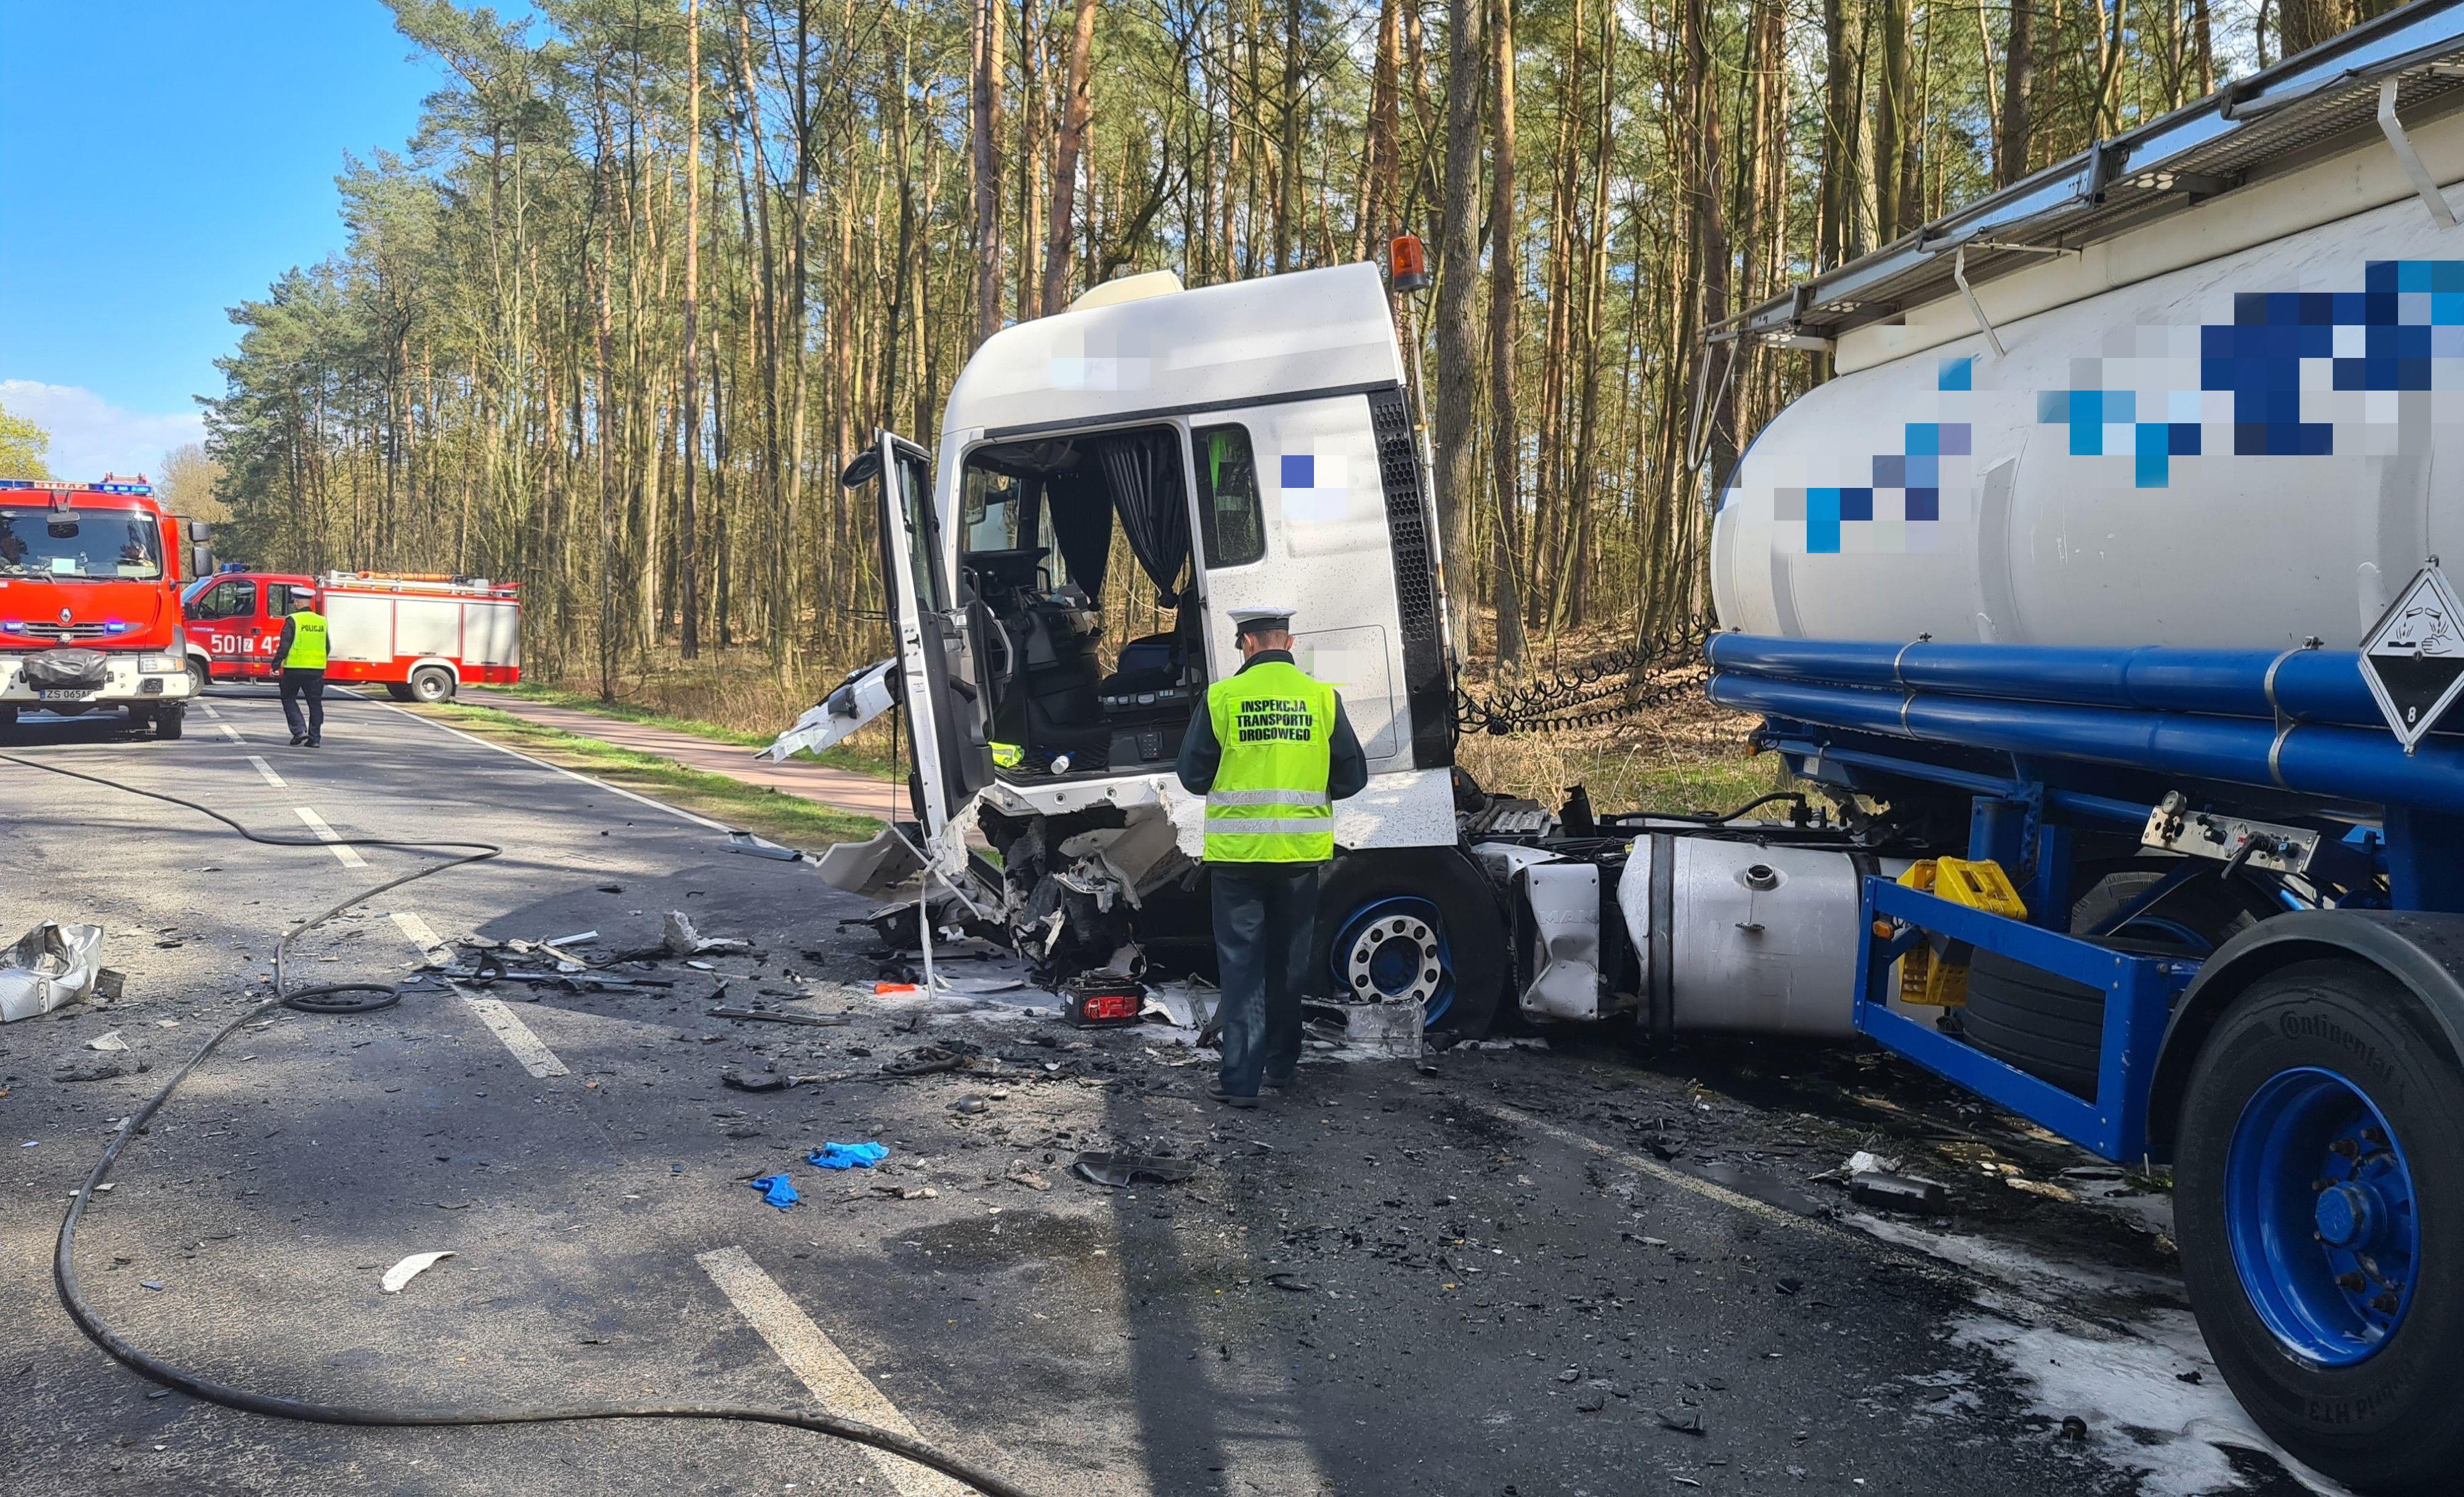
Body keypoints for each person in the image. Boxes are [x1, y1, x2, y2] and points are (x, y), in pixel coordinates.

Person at [1175, 604, 1369, 1107]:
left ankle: (1240, 1081)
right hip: (1299, 858)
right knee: (1287, 965)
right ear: (1289, 641)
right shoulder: (1321, 698)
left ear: (1248, 643)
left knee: (1243, 967)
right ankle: (1282, 1065)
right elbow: (1353, 778)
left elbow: (1193, 777)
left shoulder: (1223, 697)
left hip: (1238, 858)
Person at [275, 586, 328, 747]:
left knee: (288, 698)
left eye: (294, 602)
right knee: (315, 704)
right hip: (316, 671)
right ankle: (315, 739)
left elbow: (285, 645)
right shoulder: (322, 621)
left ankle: (299, 731)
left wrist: (275, 664)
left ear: (297, 602)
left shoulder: (293, 620)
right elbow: (327, 646)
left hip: (294, 669)